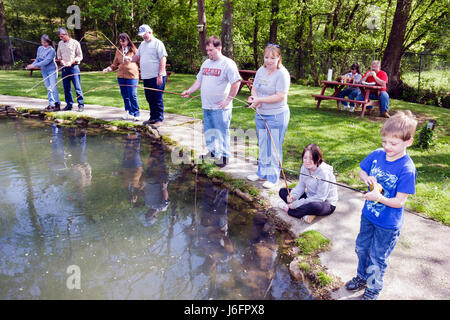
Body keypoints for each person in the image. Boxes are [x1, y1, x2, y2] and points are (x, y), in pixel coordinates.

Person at [345, 111, 417, 300]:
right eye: (385, 142)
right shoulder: (378, 155)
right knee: (361, 248)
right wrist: (366, 177)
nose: (387, 147)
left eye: (393, 144)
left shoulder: (407, 169)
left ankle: (373, 289)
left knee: (377, 257)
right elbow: (361, 170)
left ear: (408, 142)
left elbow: (399, 202)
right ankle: (361, 277)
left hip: (387, 224)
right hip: (368, 216)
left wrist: (378, 198)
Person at [181, 36, 241, 168]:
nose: (208, 53)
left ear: (219, 48)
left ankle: (225, 156)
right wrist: (189, 91)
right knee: (209, 130)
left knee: (222, 131)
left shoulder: (228, 64)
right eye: (207, 50)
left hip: (221, 107)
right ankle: (213, 152)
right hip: (207, 105)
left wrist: (228, 100)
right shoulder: (206, 63)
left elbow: (236, 82)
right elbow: (199, 81)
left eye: (211, 50)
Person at [246, 43, 291, 188]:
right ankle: (262, 173)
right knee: (263, 145)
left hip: (277, 115)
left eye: (272, 58)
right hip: (261, 114)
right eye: (266, 57)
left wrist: (260, 100)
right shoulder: (261, 70)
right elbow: (254, 88)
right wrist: (254, 98)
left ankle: (273, 178)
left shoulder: (282, 74)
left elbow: (280, 96)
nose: (269, 61)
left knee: (274, 147)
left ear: (279, 58)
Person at [278, 144, 338, 224]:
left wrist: (297, 204)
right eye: (305, 158)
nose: (307, 161)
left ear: (318, 158)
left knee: (314, 206)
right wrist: (293, 196)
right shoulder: (304, 167)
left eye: (311, 158)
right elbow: (301, 185)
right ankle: (305, 214)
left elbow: (321, 198)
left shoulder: (324, 172)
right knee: (283, 192)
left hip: (325, 203)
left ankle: (289, 210)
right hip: (310, 197)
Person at [127, 24, 167, 127]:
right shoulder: (142, 45)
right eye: (141, 35)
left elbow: (163, 59)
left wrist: (160, 75)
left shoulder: (158, 43)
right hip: (146, 77)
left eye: (144, 35)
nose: (143, 37)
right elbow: (137, 57)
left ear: (149, 32)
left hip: (156, 76)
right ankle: (153, 118)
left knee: (157, 98)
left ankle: (159, 119)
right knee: (149, 98)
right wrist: (130, 59)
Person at [103, 33, 140, 121]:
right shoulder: (118, 50)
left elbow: (139, 61)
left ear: (128, 41)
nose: (122, 43)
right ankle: (128, 112)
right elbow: (115, 64)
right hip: (121, 76)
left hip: (132, 76)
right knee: (125, 95)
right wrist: (108, 69)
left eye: (123, 41)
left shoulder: (134, 50)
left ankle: (136, 113)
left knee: (132, 95)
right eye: (120, 41)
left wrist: (140, 71)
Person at [26, 35, 61, 112]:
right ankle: (51, 104)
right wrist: (31, 65)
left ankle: (57, 104)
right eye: (42, 42)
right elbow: (38, 59)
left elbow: (46, 61)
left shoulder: (52, 50)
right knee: (48, 87)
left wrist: (33, 65)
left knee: (53, 87)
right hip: (44, 70)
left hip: (52, 70)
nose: (43, 44)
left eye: (45, 42)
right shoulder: (40, 48)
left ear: (48, 42)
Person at [56, 27, 84, 112]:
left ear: (66, 34)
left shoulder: (75, 43)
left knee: (77, 87)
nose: (61, 38)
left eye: (62, 36)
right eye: (59, 37)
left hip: (74, 68)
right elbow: (59, 56)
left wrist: (71, 62)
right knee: (66, 88)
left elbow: (80, 56)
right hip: (64, 69)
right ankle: (69, 104)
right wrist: (62, 61)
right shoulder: (60, 43)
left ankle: (81, 105)